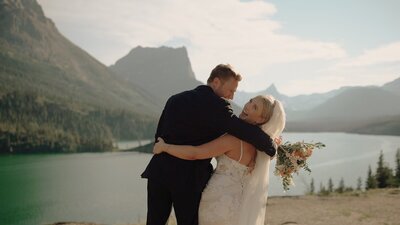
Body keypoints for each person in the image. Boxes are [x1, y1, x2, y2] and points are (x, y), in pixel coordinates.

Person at [141, 64, 277, 225]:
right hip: (188, 179)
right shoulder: (218, 106)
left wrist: (164, 148)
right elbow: (243, 130)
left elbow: (160, 135)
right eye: (231, 90)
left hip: (159, 173)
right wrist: (271, 146)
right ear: (217, 82)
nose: (231, 97)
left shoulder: (175, 99)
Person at [153, 95, 286, 225]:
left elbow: (195, 153)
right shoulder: (262, 148)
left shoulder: (233, 140)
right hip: (238, 205)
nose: (248, 106)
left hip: (217, 202)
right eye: (251, 101)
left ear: (261, 119)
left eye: (255, 107)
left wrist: (165, 147)